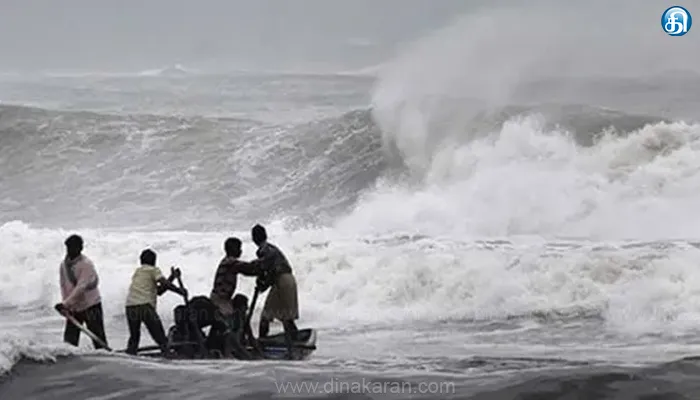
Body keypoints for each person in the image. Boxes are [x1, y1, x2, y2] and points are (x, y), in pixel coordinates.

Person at [124, 249, 187, 356]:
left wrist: (171, 277)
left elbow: (159, 291)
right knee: (160, 337)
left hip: (130, 306)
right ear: (154, 261)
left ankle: (130, 355)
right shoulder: (153, 270)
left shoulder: (138, 272)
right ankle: (168, 356)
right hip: (145, 306)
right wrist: (179, 290)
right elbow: (163, 282)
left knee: (134, 338)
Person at [251, 224, 299, 359]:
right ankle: (295, 343)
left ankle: (261, 345)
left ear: (254, 238)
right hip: (287, 280)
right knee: (285, 317)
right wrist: (264, 284)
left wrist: (262, 285)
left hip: (282, 281)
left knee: (271, 317)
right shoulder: (271, 248)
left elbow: (265, 270)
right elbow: (270, 271)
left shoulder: (264, 250)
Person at [56, 234, 109, 350]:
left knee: (99, 341)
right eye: (69, 247)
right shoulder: (64, 265)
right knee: (69, 343)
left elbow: (81, 287)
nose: (70, 250)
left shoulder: (86, 264)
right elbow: (64, 286)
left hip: (91, 306)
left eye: (74, 248)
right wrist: (66, 306)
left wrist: (65, 304)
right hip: (74, 308)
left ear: (80, 248)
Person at [209, 237, 261, 357]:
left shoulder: (228, 261)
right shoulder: (230, 262)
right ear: (232, 249)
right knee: (228, 325)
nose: (241, 251)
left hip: (223, 299)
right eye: (239, 248)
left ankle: (227, 346)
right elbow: (249, 269)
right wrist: (263, 263)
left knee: (226, 323)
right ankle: (229, 353)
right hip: (220, 299)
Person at [227, 293, 264, 360]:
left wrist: (259, 351)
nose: (247, 308)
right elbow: (234, 340)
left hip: (239, 347)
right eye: (245, 305)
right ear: (240, 307)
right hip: (232, 349)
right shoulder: (235, 318)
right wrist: (246, 354)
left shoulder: (244, 318)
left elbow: (251, 337)